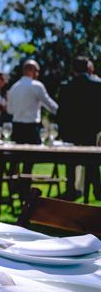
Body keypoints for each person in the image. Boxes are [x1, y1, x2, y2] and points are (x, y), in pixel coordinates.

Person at [57, 56, 101, 200]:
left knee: (71, 164)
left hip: (71, 132)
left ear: (73, 69)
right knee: (93, 163)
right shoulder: (97, 85)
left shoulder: (65, 86)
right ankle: (97, 191)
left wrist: (62, 132)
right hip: (90, 130)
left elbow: (61, 113)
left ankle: (71, 190)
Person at [7, 59, 58, 145]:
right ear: (31, 70)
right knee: (33, 157)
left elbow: (10, 110)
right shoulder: (37, 86)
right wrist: (62, 112)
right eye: (37, 71)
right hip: (31, 129)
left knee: (17, 156)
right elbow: (49, 105)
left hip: (16, 129)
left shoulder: (13, 88)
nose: (38, 74)